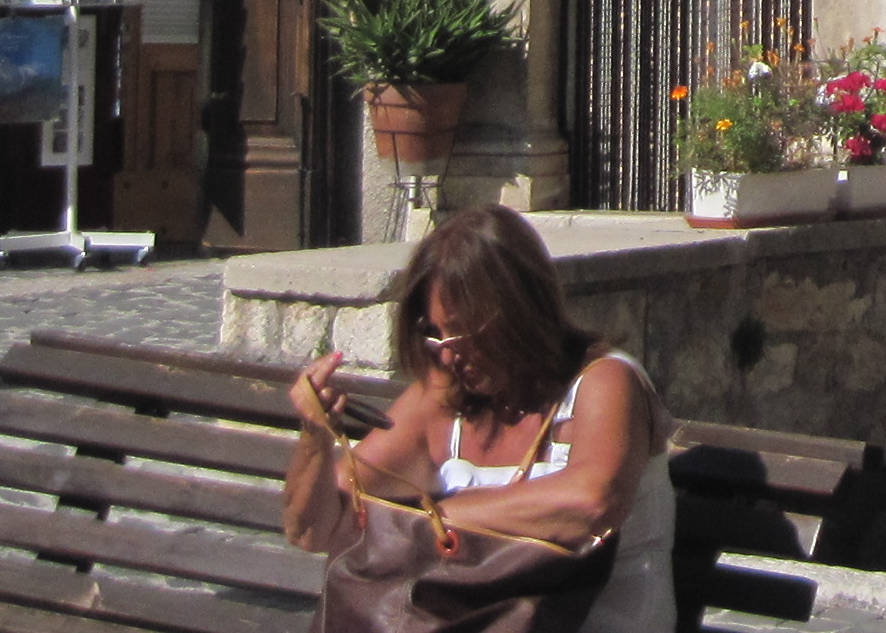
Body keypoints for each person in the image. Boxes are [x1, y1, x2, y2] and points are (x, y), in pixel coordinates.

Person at [280, 206, 674, 633]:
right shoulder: (444, 397)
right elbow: (313, 531)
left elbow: (592, 502)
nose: (448, 354)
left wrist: (437, 517)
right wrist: (315, 435)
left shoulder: (605, 380)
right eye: (434, 333)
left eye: (461, 331)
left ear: (518, 310)